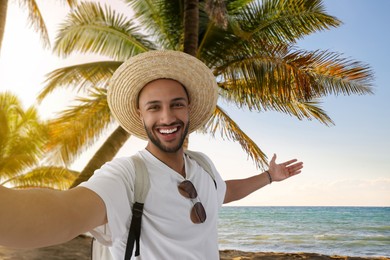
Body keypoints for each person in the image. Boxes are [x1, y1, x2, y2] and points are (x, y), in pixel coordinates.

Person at [0, 50, 303, 259]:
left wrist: (268, 177)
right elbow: (62, 214)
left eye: (177, 104)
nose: (167, 117)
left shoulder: (203, 165)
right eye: (154, 107)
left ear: (188, 109)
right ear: (140, 115)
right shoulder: (126, 176)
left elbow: (222, 191)